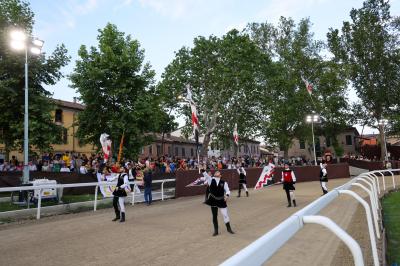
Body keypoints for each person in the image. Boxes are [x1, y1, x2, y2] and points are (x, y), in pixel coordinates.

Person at [201, 168, 235, 236]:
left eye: (218, 172)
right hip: (213, 200)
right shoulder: (210, 180)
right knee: (214, 216)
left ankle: (229, 228)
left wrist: (227, 195)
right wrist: (202, 169)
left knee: (225, 215)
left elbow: (228, 190)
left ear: (220, 175)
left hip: (221, 200)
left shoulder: (224, 183)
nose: (216, 172)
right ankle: (216, 230)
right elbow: (206, 175)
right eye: (216, 172)